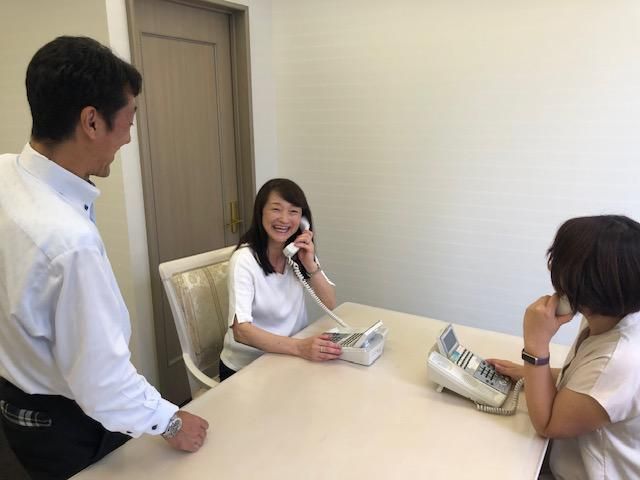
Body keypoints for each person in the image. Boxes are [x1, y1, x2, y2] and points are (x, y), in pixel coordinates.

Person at [0, 36, 209, 480]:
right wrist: (171, 421)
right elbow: (102, 383)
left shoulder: (4, 173)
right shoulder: (68, 242)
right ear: (92, 121)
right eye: (128, 120)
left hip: (16, 402)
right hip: (66, 422)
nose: (129, 137)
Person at [490, 215, 640, 480]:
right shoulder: (613, 317)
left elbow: (547, 425)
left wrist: (535, 346)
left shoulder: (620, 359)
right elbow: (590, 384)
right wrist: (529, 374)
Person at [218, 178, 342, 380]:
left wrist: (310, 265)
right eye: (276, 209)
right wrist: (300, 347)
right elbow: (241, 331)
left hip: (288, 357)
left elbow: (329, 303)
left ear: (303, 220)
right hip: (247, 368)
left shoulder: (298, 252)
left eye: (293, 211)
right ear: (260, 212)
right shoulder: (244, 260)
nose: (284, 219)